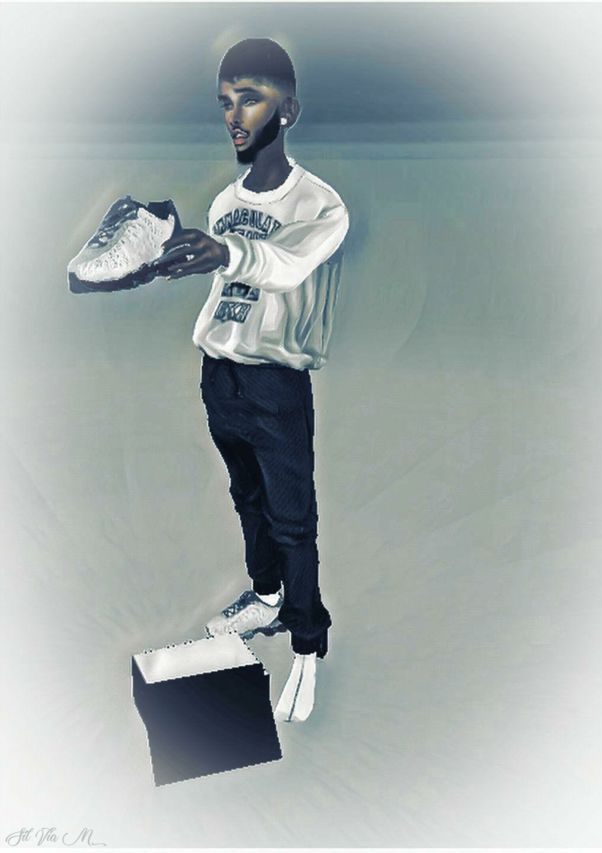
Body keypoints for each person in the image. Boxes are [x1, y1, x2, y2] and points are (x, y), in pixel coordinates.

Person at [152, 38, 349, 722]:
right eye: (225, 102)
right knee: (247, 499)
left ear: (287, 110)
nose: (234, 115)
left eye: (250, 99)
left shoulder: (321, 205)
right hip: (222, 376)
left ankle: (308, 645)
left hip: (275, 386)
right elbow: (228, 286)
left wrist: (224, 250)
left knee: (294, 521)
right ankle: (267, 596)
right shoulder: (224, 200)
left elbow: (283, 266)